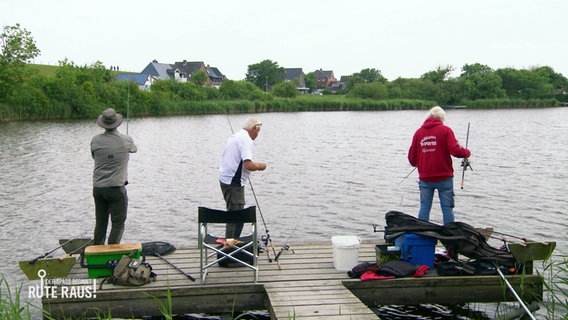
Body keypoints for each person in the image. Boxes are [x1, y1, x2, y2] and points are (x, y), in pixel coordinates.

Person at [408, 106, 470, 225]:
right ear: (442, 118)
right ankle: (450, 235)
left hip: (425, 178)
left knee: (424, 207)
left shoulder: (418, 133)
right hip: (444, 177)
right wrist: (467, 153)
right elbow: (456, 151)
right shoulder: (446, 130)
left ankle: (422, 234)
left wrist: (421, 163)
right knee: (447, 208)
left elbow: (412, 159)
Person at [91, 108, 137, 245]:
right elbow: (134, 149)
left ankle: (97, 253)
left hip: (98, 188)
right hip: (116, 189)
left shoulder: (95, 140)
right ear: (117, 123)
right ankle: (111, 252)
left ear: (103, 123)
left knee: (101, 223)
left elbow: (94, 156)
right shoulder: (126, 140)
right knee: (118, 223)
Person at [218, 117, 267, 238]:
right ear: (254, 128)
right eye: (258, 131)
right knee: (236, 217)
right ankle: (230, 248)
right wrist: (261, 166)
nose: (257, 134)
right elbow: (248, 165)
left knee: (234, 214)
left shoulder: (236, 136)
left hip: (225, 180)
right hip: (233, 184)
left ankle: (231, 244)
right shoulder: (246, 139)